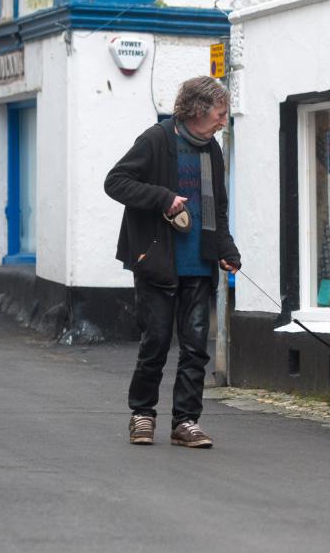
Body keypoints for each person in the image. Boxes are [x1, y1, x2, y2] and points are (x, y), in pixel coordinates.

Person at [104, 76, 240, 448]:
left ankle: (186, 422)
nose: (223, 120)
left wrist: (227, 250)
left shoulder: (212, 150)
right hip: (158, 262)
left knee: (196, 349)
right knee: (157, 343)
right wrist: (163, 197)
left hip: (200, 264)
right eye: (220, 113)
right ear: (198, 109)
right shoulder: (156, 140)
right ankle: (142, 415)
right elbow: (115, 182)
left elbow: (219, 210)